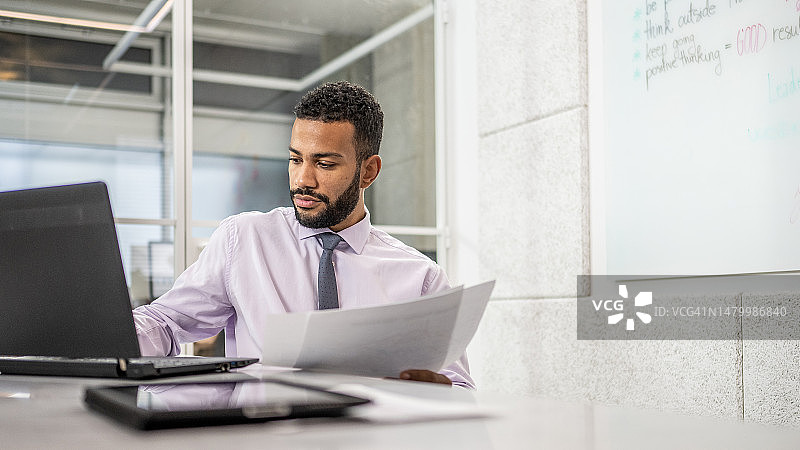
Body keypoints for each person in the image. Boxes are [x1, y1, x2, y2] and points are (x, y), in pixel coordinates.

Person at [133, 81, 474, 388]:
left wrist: (436, 389)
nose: (303, 181)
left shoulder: (421, 279)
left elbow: (459, 387)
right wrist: (104, 338)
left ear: (368, 172)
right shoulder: (244, 240)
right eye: (296, 160)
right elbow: (165, 324)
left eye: (324, 164)